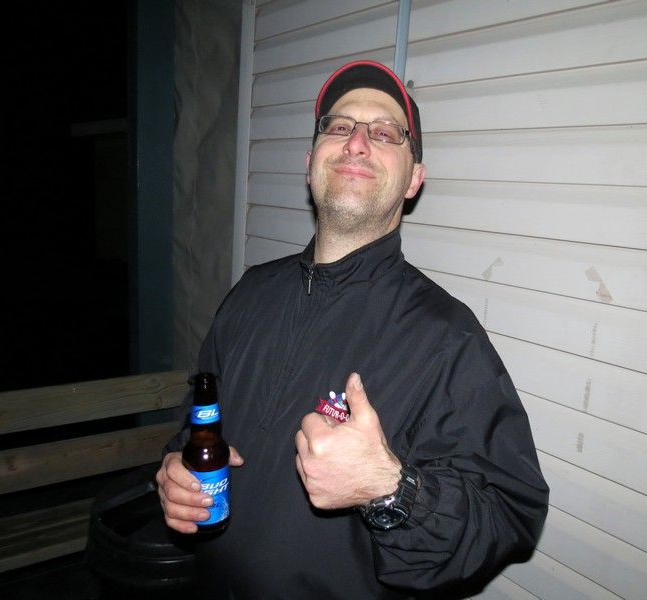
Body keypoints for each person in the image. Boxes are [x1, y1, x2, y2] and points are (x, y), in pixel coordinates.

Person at [156, 60, 549, 599]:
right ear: (310, 163)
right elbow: (199, 422)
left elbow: (508, 515)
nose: (357, 142)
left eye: (385, 133)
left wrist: (389, 490)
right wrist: (177, 466)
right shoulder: (250, 292)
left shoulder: (447, 337)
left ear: (413, 179)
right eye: (339, 126)